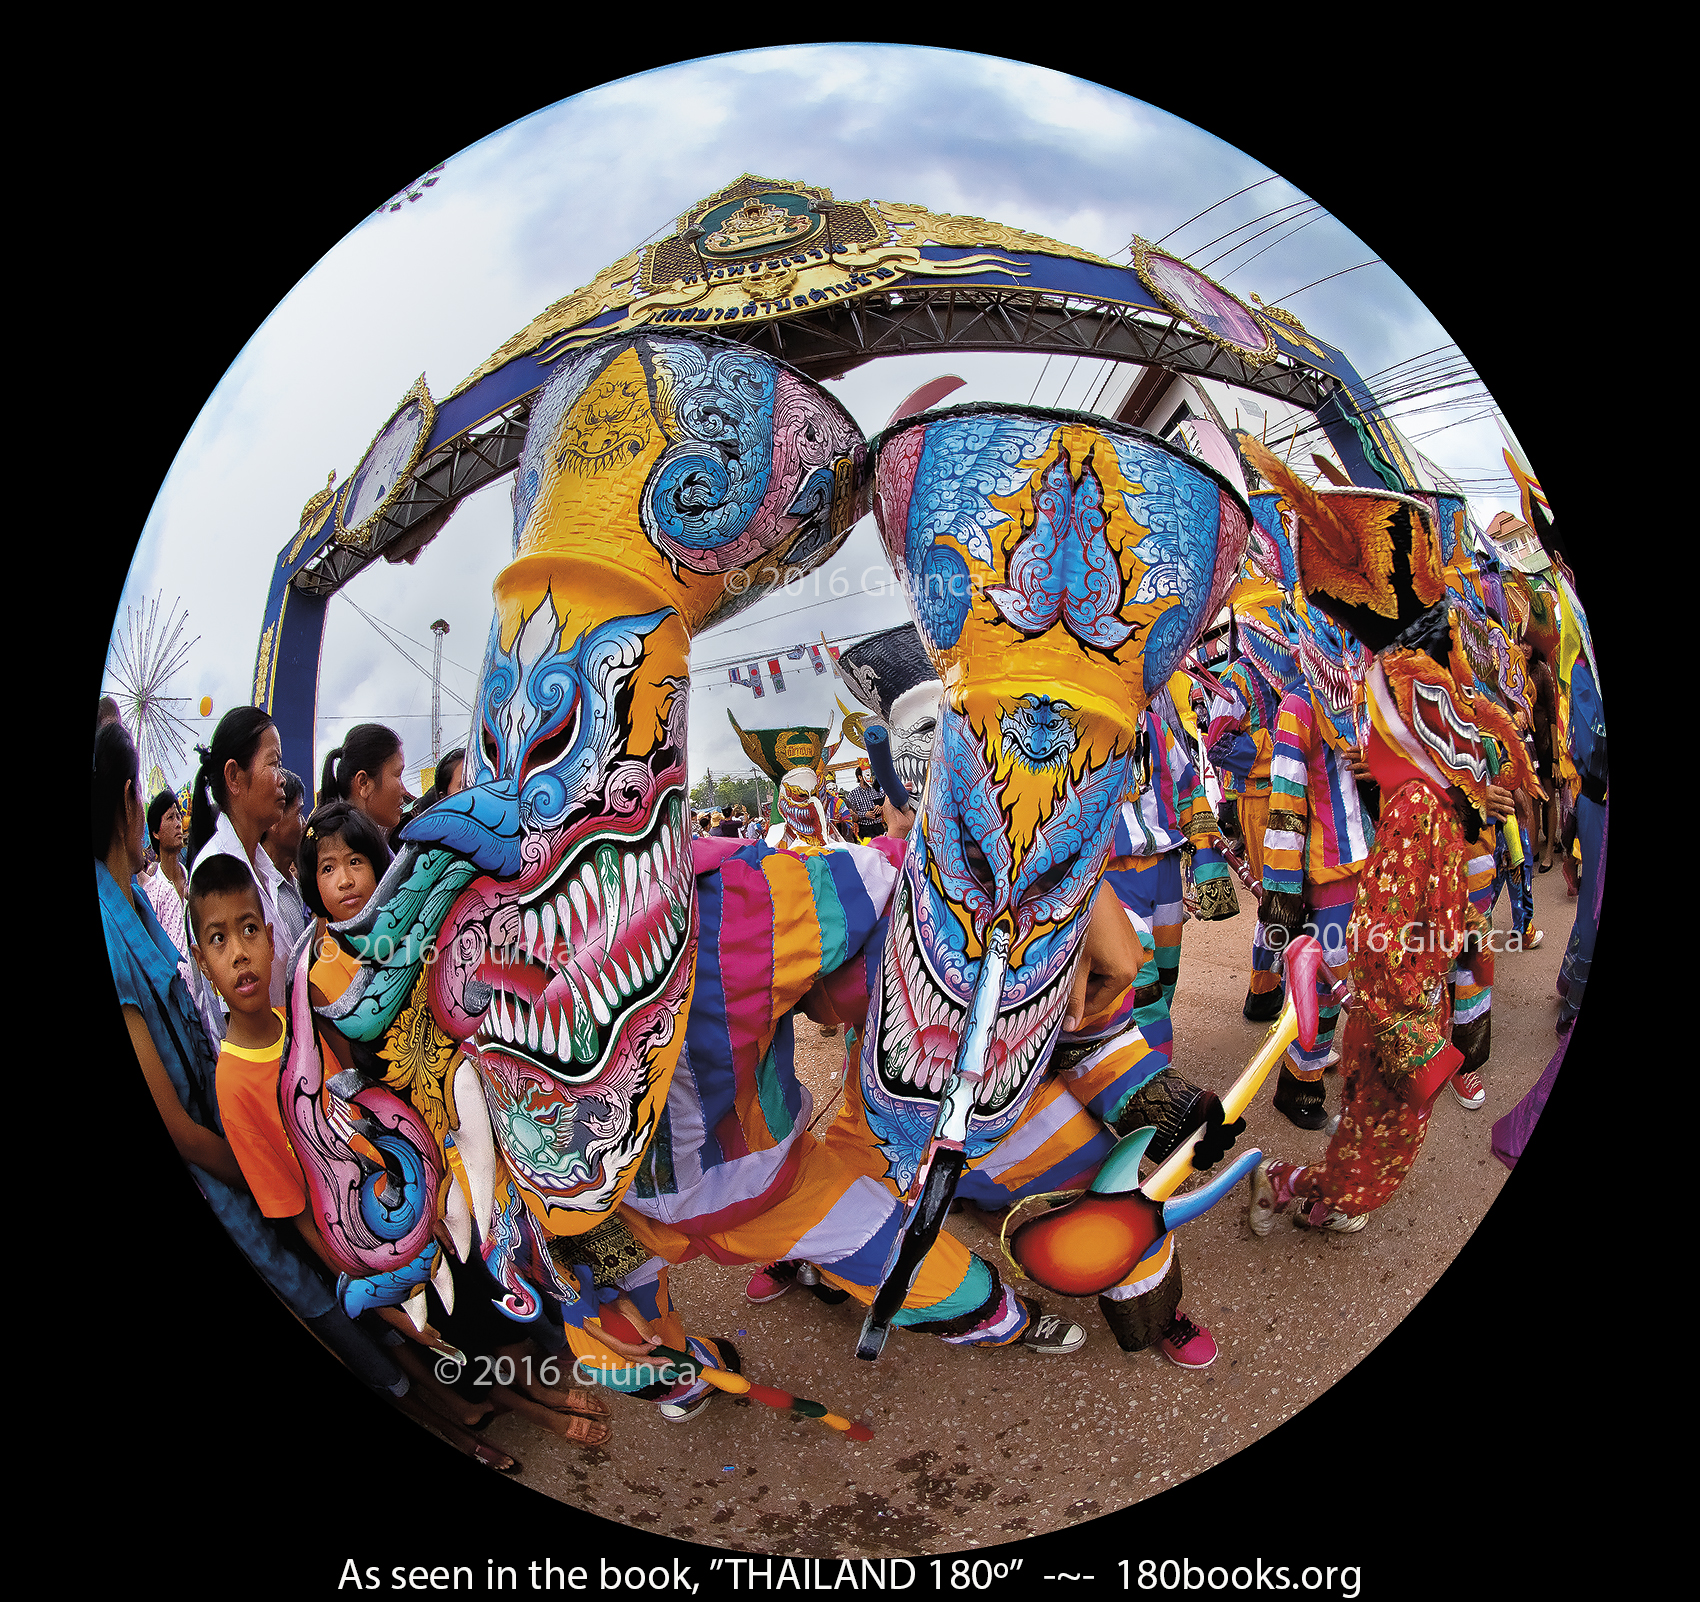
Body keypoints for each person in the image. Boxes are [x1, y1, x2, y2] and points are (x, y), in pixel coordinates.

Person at [1240, 440, 1529, 1236]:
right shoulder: (1380, 764)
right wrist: (1284, 897)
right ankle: (1297, 1159)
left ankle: (1314, 1177)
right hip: (1366, 938)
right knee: (1365, 1104)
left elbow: (1438, 905)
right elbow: (1371, 933)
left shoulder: (1421, 788)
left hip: (1399, 951)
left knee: (1379, 1120)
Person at [185, 851, 529, 1468]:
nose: (239, 952)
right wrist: (372, 1283)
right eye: (218, 939)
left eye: (248, 929)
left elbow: (355, 1108)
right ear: (204, 967)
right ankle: (472, 1425)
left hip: (390, 1191)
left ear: (270, 935)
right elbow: (292, 1211)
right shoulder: (232, 1085)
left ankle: (512, 1396)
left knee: (453, 1304)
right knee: (407, 1334)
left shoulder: (301, 1022)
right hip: (342, 1243)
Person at [185, 706, 291, 1009]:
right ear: (234, 776)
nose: (282, 779)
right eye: (274, 763)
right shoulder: (215, 873)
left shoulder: (263, 866)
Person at [319, 723, 409, 835]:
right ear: (364, 783)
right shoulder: (344, 847)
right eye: (398, 775)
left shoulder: (352, 840)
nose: (404, 791)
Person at [259, 770, 310, 960]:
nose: (304, 824)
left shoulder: (292, 885)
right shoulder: (265, 892)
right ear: (275, 821)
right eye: (299, 813)